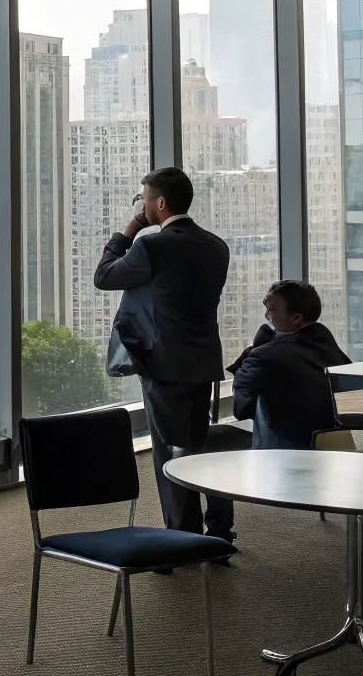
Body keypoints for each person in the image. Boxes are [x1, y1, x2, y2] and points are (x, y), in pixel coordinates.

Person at [93, 166, 235, 545]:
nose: (140, 204)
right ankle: (218, 530)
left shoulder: (151, 245)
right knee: (195, 444)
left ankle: (182, 536)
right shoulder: (215, 244)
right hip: (202, 360)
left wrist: (130, 227)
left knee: (169, 452)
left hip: (164, 364)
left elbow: (104, 276)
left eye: (143, 198)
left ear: (159, 202)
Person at [228, 280, 352, 450]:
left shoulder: (265, 356)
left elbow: (241, 409)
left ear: (296, 317)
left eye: (271, 310)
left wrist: (255, 350)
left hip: (285, 456)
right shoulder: (334, 352)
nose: (268, 317)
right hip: (338, 449)